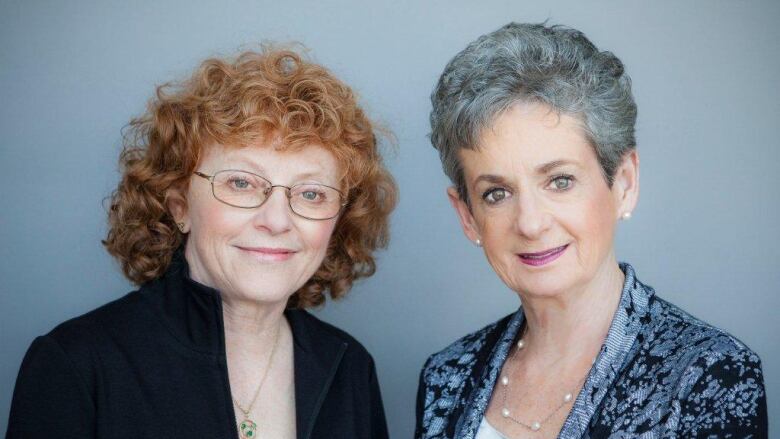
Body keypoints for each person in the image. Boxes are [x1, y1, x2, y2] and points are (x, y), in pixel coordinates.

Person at [7, 46, 396, 439]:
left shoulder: (350, 367)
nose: (277, 221)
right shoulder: (78, 364)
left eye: (312, 193)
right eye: (241, 183)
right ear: (180, 207)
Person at [416, 23, 767, 438]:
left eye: (560, 181)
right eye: (496, 193)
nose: (530, 222)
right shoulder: (447, 375)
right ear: (468, 216)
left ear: (623, 184)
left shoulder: (708, 375)